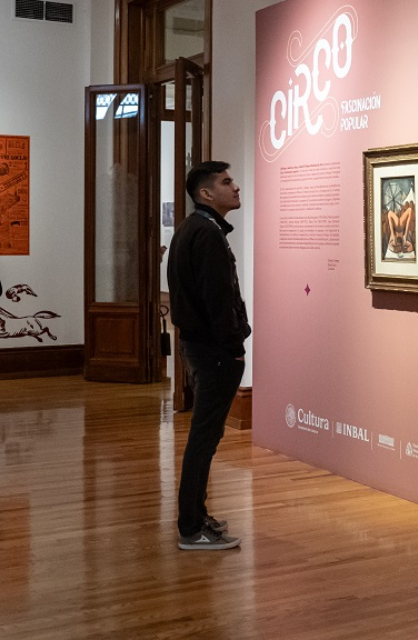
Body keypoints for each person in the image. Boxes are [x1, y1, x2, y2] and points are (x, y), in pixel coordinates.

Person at [166, 160, 251, 551]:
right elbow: (219, 301)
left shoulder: (195, 229)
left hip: (204, 348)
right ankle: (191, 527)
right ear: (206, 194)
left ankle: (197, 517)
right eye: (226, 182)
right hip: (214, 352)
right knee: (204, 439)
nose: (235, 187)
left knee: (206, 437)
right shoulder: (206, 234)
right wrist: (234, 348)